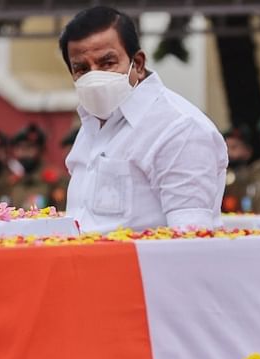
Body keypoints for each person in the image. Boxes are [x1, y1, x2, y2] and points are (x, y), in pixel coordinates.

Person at [61, 6, 226, 232]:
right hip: (81, 265)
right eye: (81, 68)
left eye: (107, 63)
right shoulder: (91, 124)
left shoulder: (179, 128)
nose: (94, 76)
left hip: (145, 268)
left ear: (137, 64)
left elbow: (191, 240)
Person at [6, 124, 59, 211]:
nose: (23, 152)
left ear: (41, 150)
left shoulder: (54, 181)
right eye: (19, 148)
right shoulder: (13, 181)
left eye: (29, 147)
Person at [220, 125, 254, 213]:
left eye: (234, 147)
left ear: (247, 151)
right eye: (225, 147)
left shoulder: (255, 175)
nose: (228, 152)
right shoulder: (218, 175)